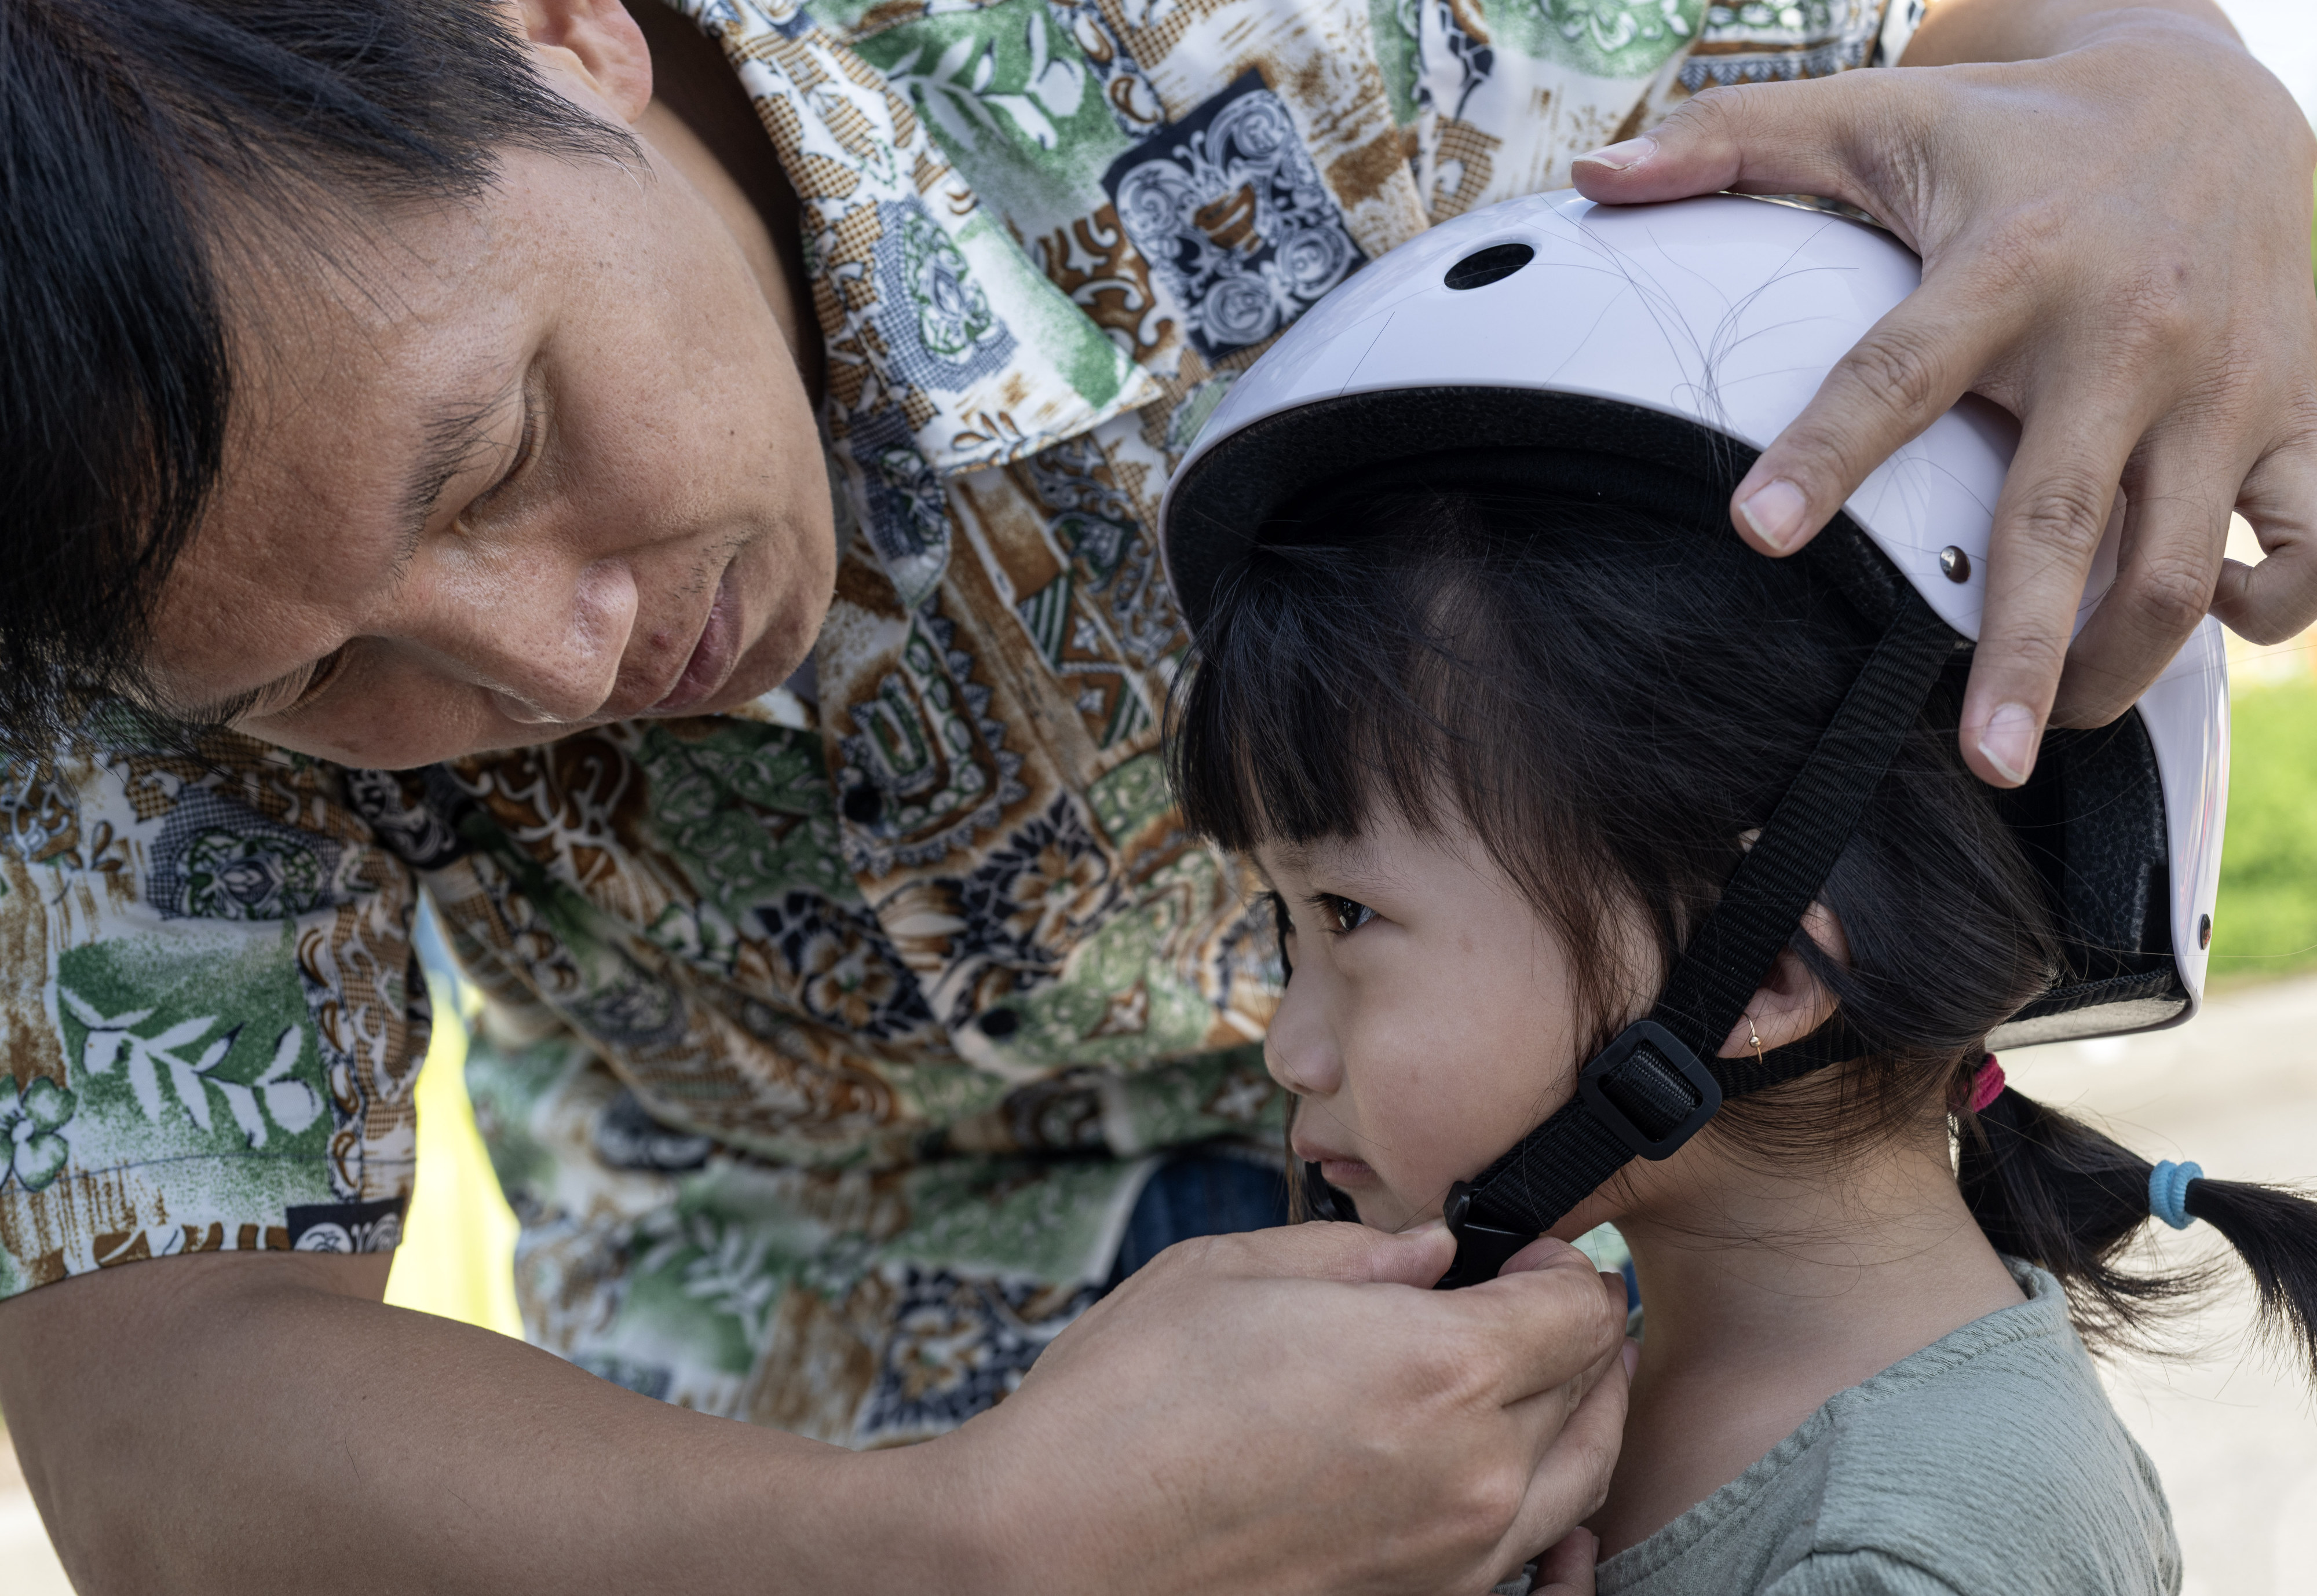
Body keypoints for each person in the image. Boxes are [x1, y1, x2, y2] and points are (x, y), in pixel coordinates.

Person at [0, 0, 2309, 1590]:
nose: (553, 658)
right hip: (792, 1398)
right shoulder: (81, 618)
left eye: (496, 449)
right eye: (316, 674)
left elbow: (1983, 50)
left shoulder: (1264, 46)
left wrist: (2175, 84)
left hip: (1670, 1158)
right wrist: (963, 1547)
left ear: (557, 29)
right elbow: (155, 1394)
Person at [1160, 189, 2317, 1593]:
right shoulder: (1541, 1403)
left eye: (1344, 917)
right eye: (1289, 929)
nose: (1284, 1044)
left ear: (1766, 971)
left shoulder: (1897, 1557)